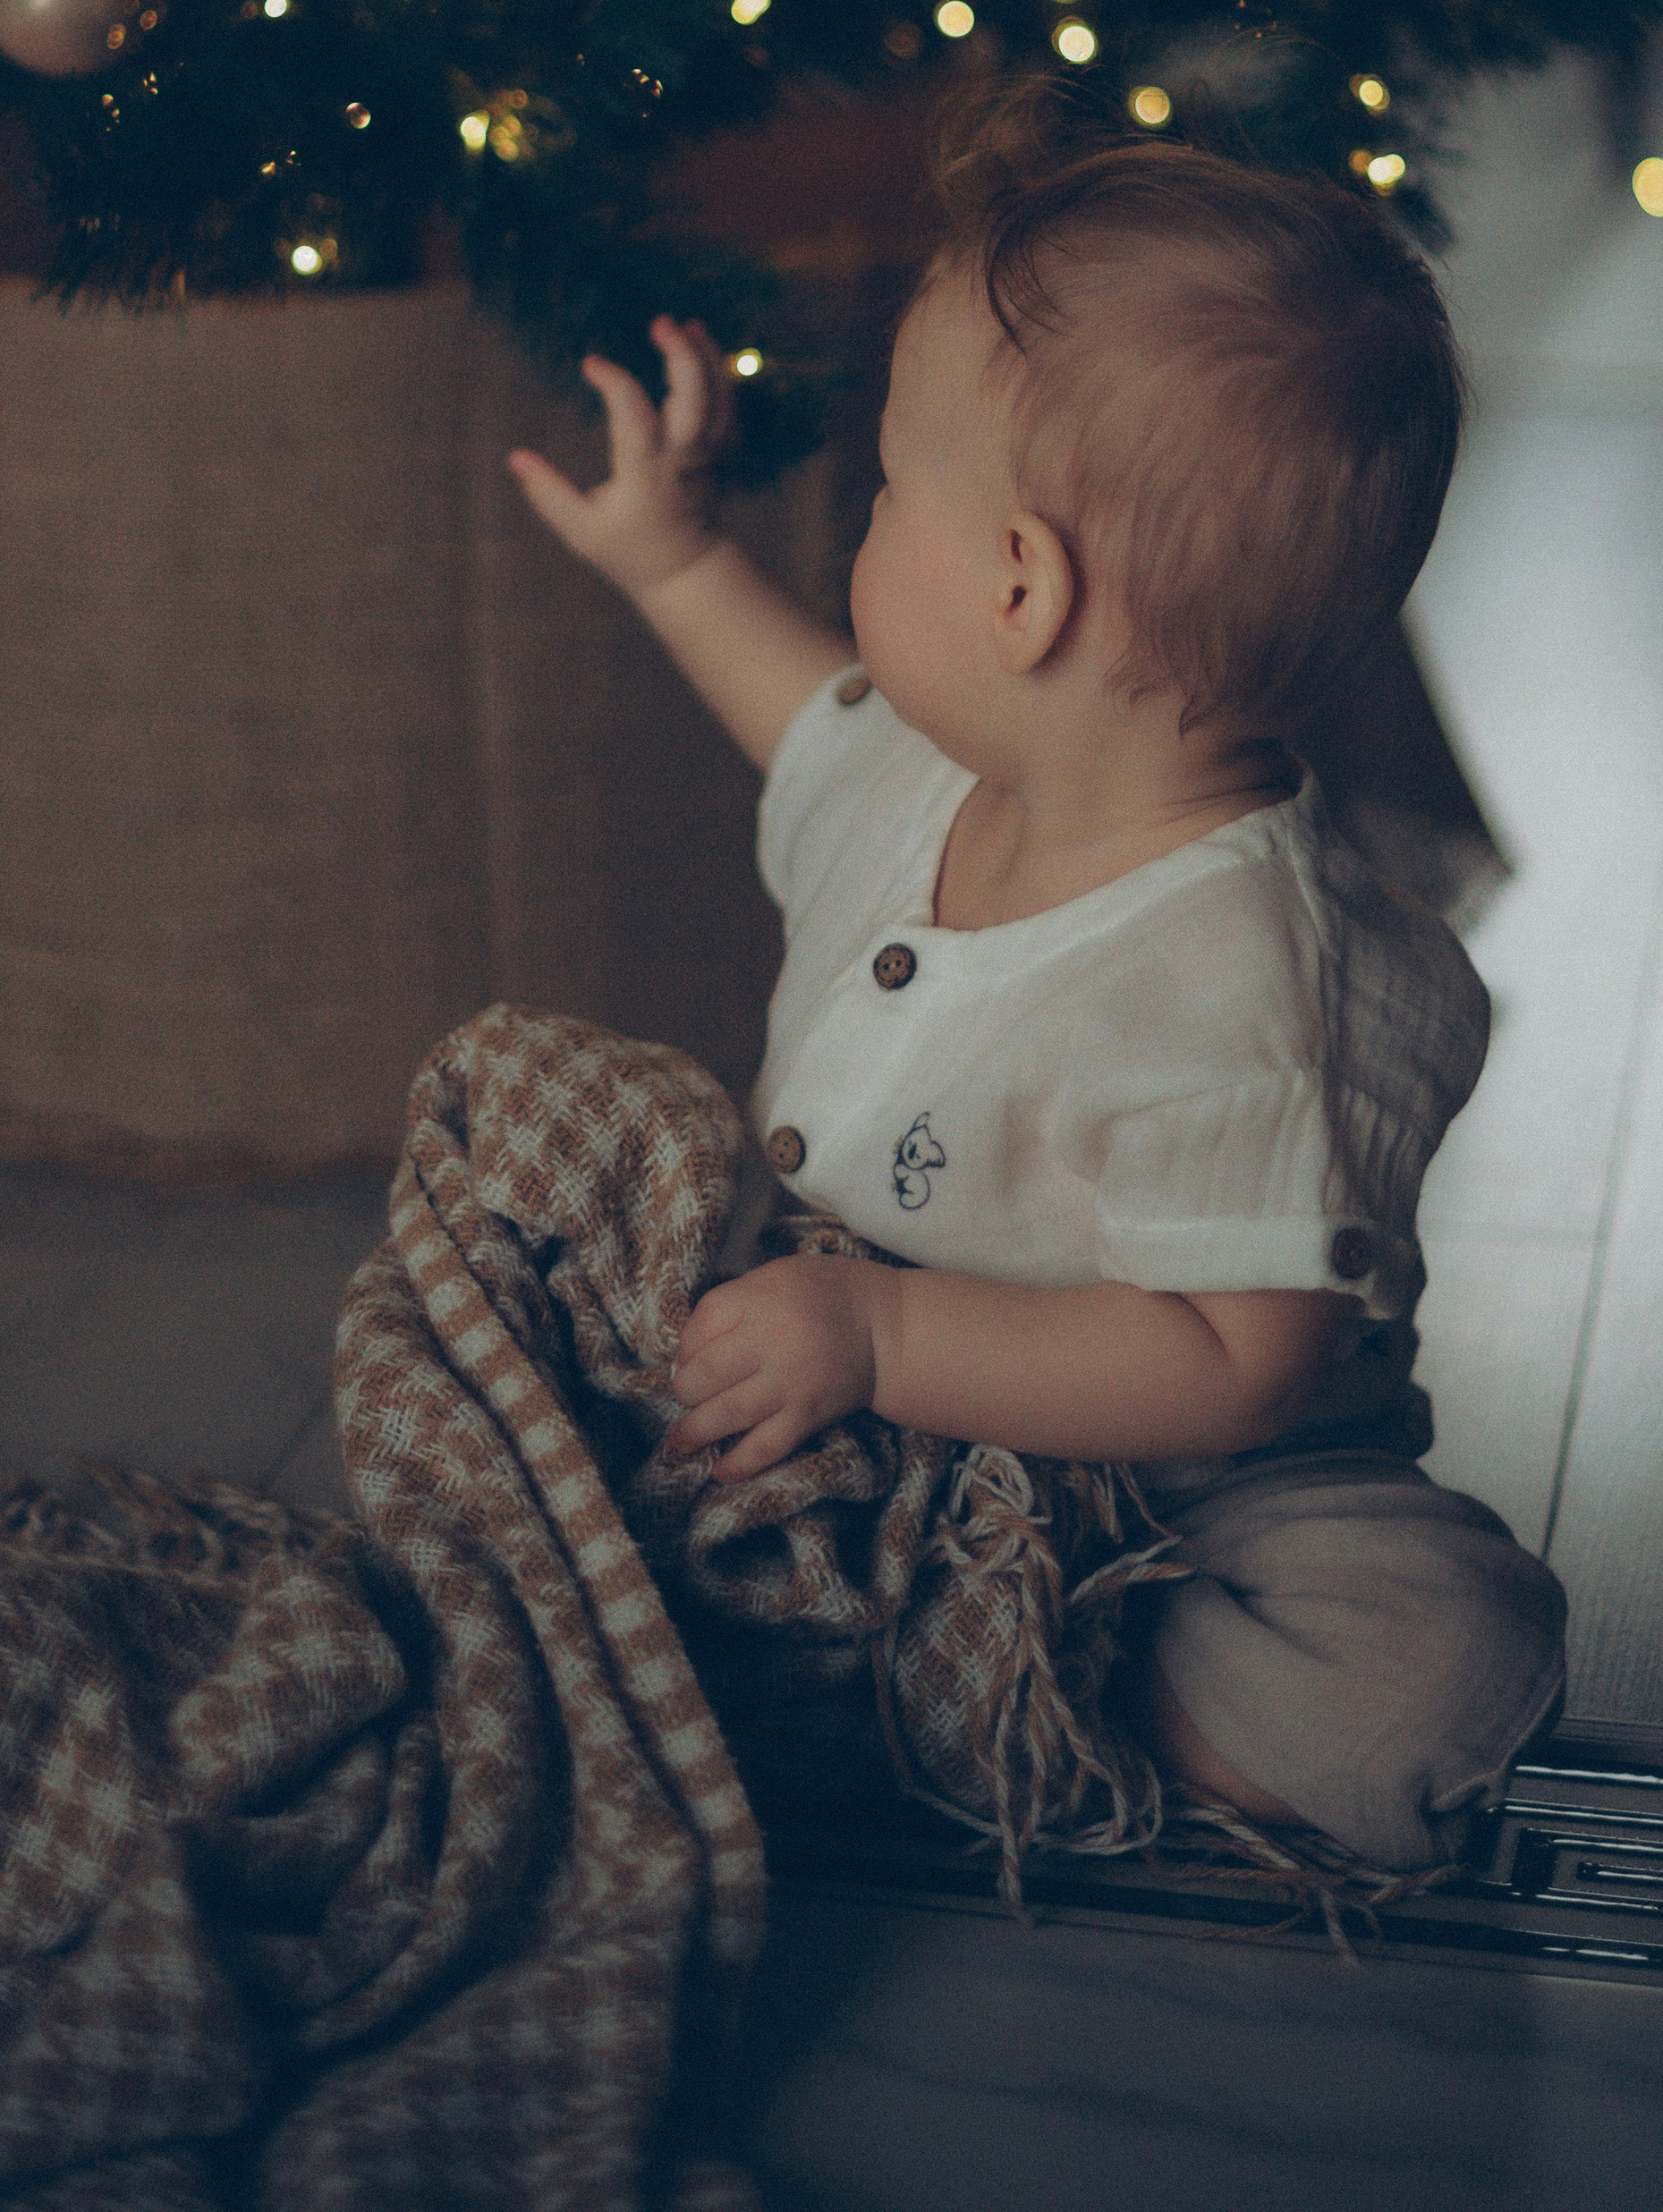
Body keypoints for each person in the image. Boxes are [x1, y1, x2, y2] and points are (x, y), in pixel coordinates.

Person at [507, 91, 1565, 1875]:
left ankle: (1047, 1679)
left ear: (1019, 589)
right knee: (551, 1240)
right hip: (869, 1410)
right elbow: (803, 720)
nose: (864, 525)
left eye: (886, 492)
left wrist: (887, 1337)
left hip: (1190, 1497)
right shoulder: (940, 773)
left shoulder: (1244, 984)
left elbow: (1233, 1364)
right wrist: (675, 558)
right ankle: (888, 1633)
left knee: (1428, 1647)